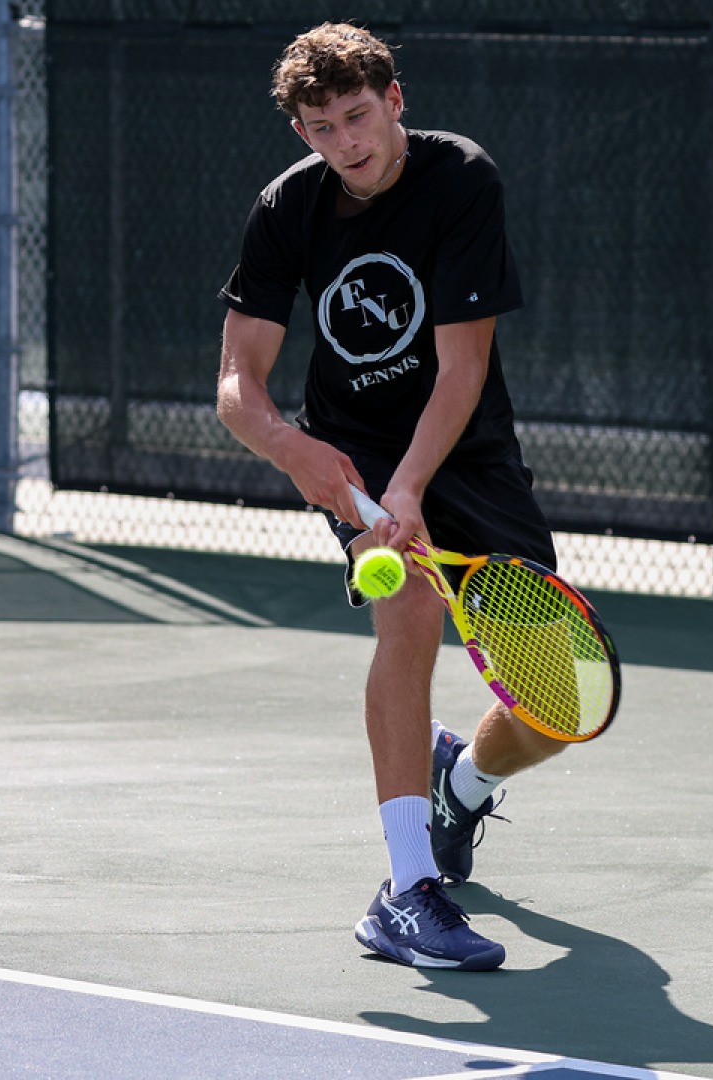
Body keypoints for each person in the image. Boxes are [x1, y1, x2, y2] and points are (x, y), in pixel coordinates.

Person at [215, 22, 567, 972]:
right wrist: (292, 448)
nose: (346, 141)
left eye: (358, 115)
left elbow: (463, 369)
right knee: (409, 612)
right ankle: (407, 892)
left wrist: (415, 484)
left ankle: (461, 784)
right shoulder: (288, 207)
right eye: (322, 127)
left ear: (394, 100)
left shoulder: (461, 179)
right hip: (359, 458)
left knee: (549, 709)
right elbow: (238, 385)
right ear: (302, 132)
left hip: (467, 452)